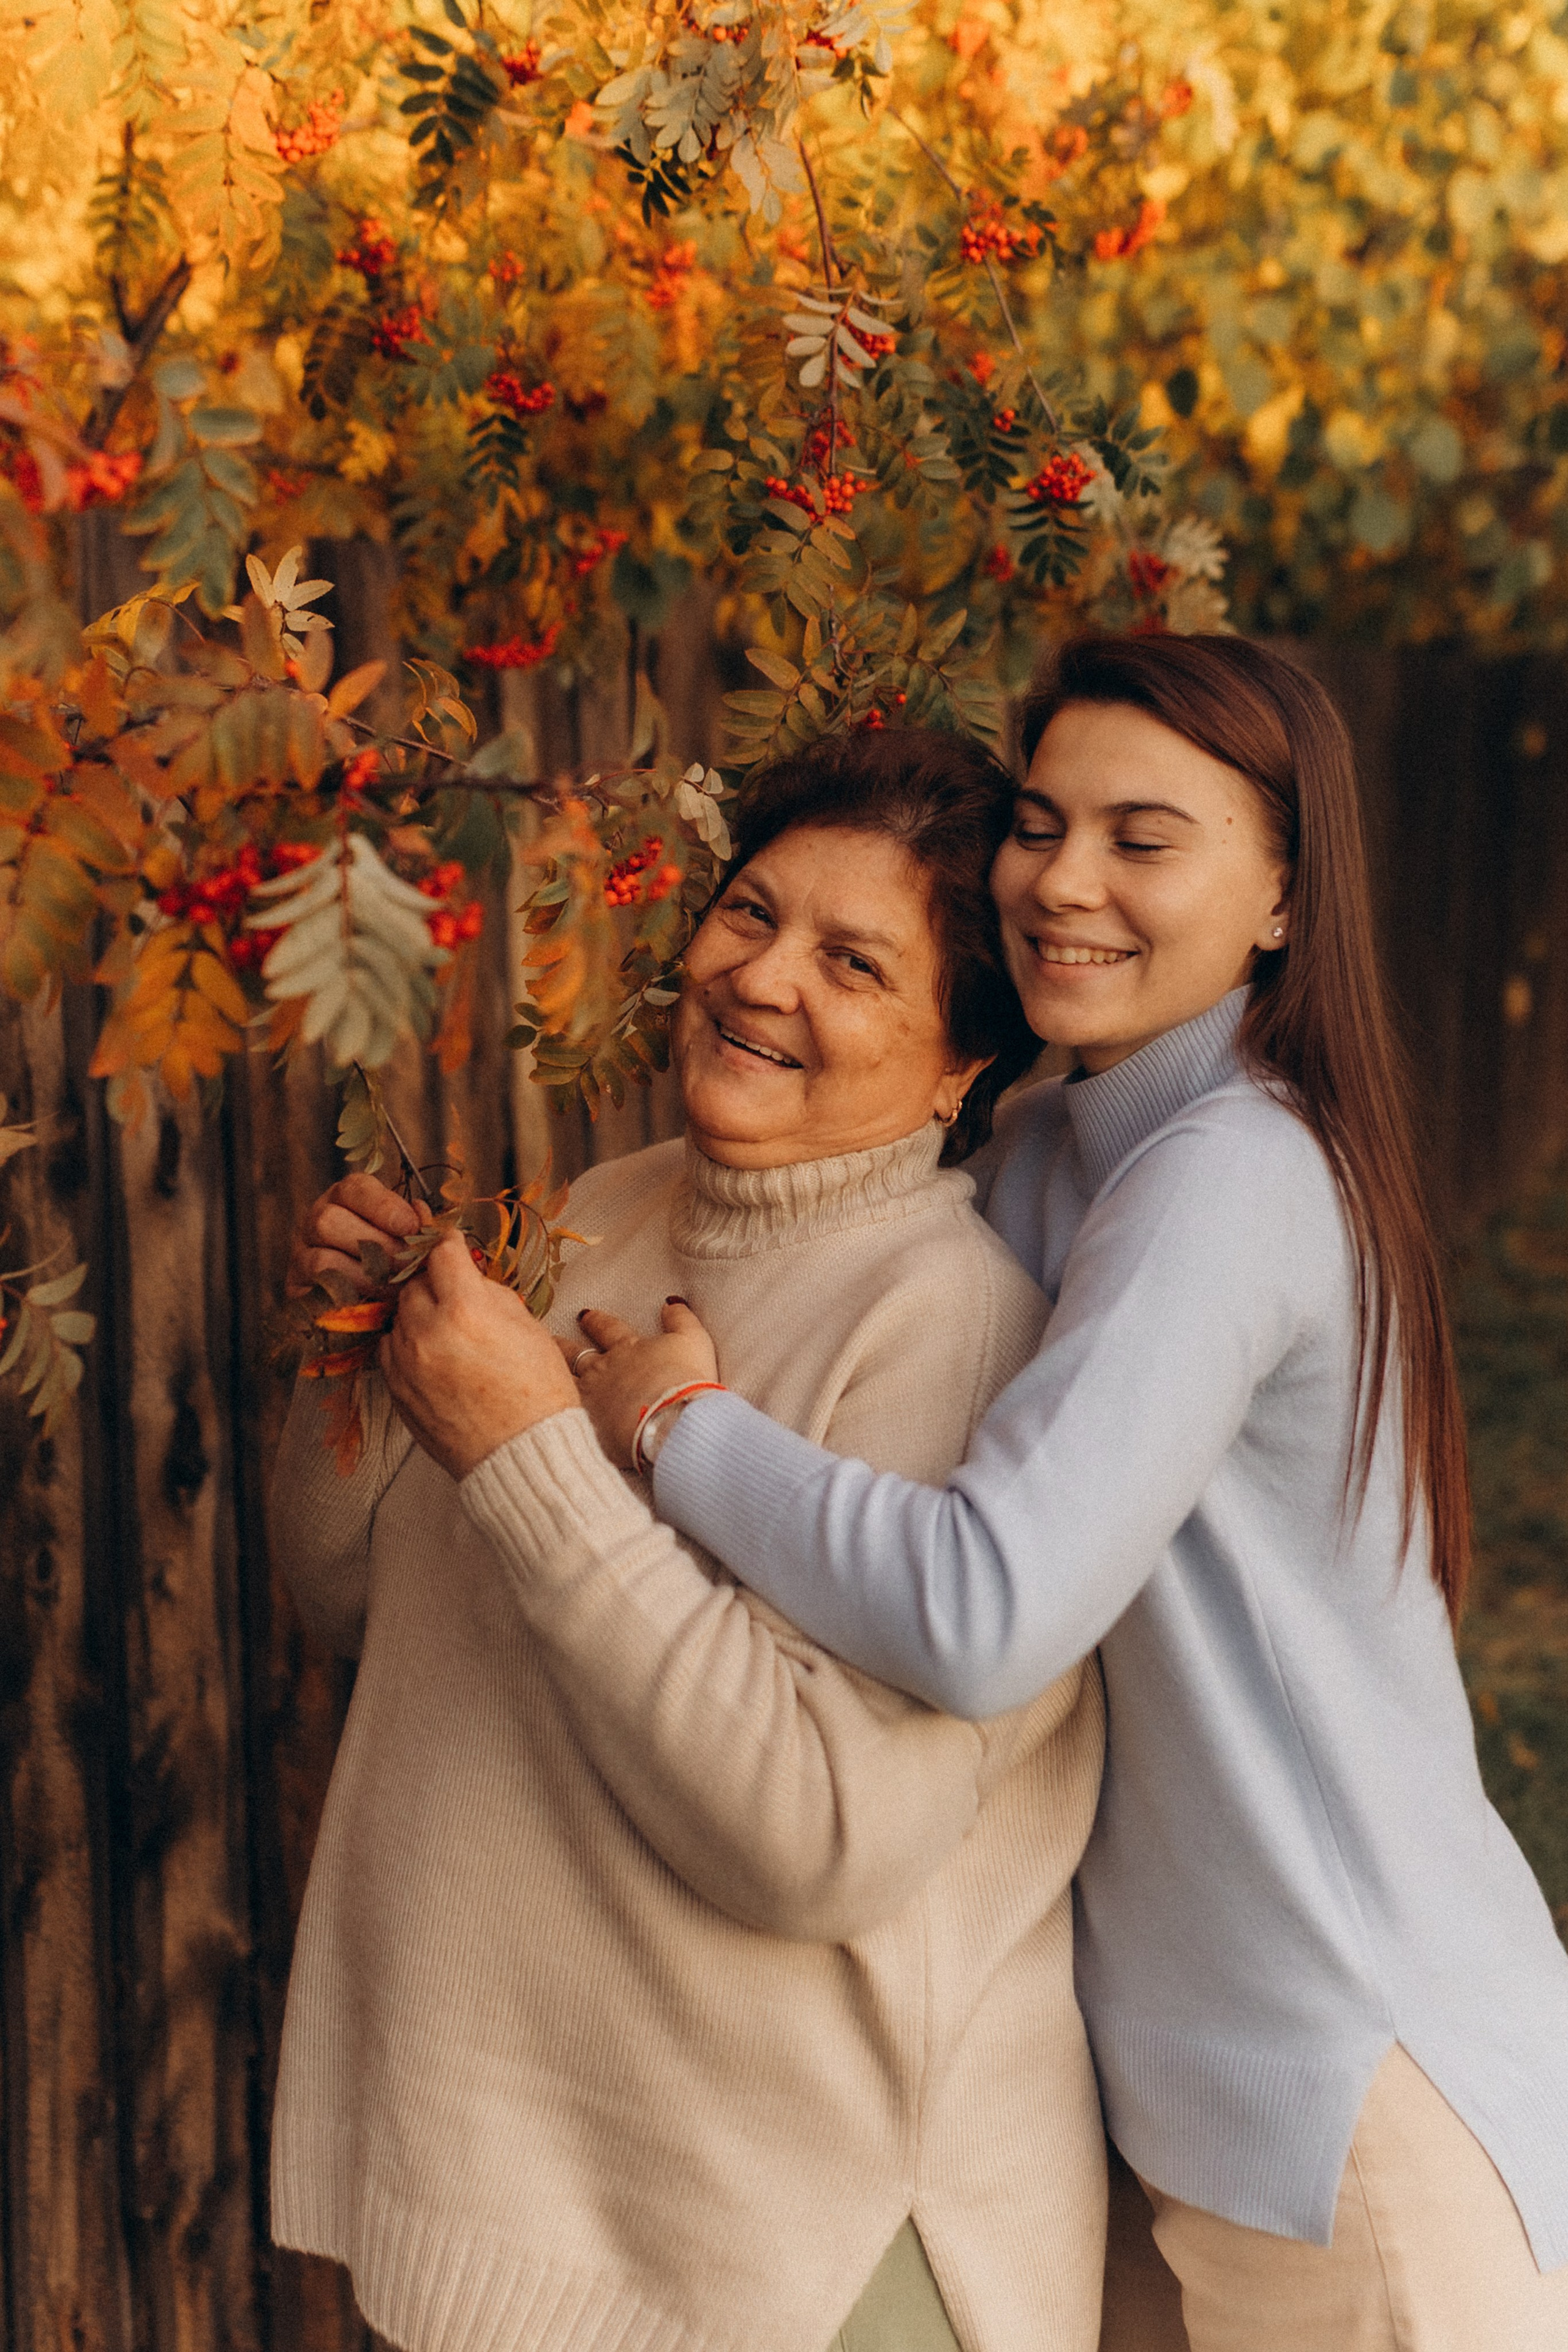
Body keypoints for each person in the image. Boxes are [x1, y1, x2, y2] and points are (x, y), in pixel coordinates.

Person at [516, 636, 1568, 2352]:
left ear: (1285, 898)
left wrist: (676, 1429)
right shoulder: (1052, 1150)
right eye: (1037, 822)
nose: (1063, 881)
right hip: (1225, 2107)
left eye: (1143, 840)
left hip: (1364, 2099)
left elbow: (981, 1611)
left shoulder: (1226, 1176)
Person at [267, 728, 1113, 2352]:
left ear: (963, 1067)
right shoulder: (602, 1209)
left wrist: (524, 1448)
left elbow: (816, 1835)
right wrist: (364, 1369)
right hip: (527, 2198)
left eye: (854, 961)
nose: (764, 975)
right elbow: (367, 1609)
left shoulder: (959, 1334)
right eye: (751, 913)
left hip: (795, 2265)